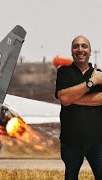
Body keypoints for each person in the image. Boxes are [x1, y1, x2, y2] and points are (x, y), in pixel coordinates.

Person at [55, 35, 102, 179]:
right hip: (71, 141)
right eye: (76, 46)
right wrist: (92, 82)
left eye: (84, 46)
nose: (80, 49)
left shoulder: (100, 74)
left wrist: (72, 98)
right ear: (71, 51)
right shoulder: (64, 72)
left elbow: (101, 99)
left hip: (98, 142)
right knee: (71, 176)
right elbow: (63, 98)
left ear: (89, 50)